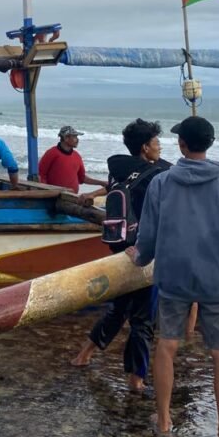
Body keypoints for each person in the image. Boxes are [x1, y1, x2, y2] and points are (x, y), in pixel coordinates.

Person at [131, 116, 219, 437]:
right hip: (217, 281)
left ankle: (165, 419)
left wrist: (140, 258)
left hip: (173, 277)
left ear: (182, 144)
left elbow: (148, 234)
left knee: (167, 346)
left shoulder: (161, 183)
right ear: (209, 143)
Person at [70, 119, 170, 391]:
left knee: (119, 308)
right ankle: (136, 379)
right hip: (145, 253)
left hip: (119, 248)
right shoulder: (159, 175)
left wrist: (91, 194)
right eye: (156, 143)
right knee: (143, 319)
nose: (160, 147)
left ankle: (84, 355)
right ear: (145, 148)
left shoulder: (122, 170)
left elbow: (112, 187)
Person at [38, 125, 107, 193]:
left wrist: (101, 183)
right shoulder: (52, 153)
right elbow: (41, 174)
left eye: (76, 137)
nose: (77, 140)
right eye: (74, 137)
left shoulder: (77, 156)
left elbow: (82, 178)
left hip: (72, 197)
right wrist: (47, 192)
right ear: (66, 138)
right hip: (54, 196)